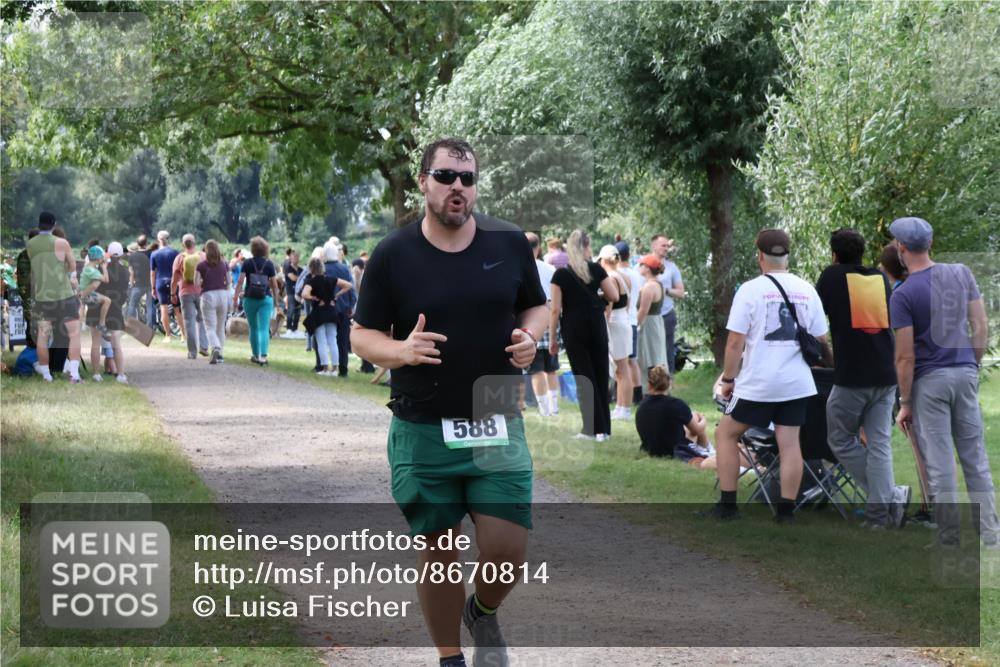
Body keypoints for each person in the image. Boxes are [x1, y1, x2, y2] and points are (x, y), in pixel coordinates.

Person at [351, 137, 548, 667]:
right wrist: (401, 350)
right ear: (423, 183)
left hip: (495, 416)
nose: (457, 187)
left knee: (507, 550)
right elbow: (361, 335)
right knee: (438, 554)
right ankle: (450, 658)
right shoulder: (394, 254)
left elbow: (536, 307)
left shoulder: (508, 244)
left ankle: (480, 612)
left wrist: (532, 339)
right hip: (422, 424)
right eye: (445, 177)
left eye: (467, 178)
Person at [889, 217, 998, 547]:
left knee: (940, 463)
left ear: (901, 249)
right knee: (974, 458)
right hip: (964, 372)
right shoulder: (961, 273)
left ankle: (950, 538)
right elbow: (980, 327)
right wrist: (971, 364)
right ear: (930, 244)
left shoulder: (903, 295)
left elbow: (905, 356)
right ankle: (991, 536)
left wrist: (905, 403)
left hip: (929, 382)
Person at [711, 229, 829, 523]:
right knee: (790, 443)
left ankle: (727, 506)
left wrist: (728, 379)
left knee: (726, 433)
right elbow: (820, 339)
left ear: (759, 255)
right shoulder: (806, 289)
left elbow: (736, 342)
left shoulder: (750, 290)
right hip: (796, 382)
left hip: (759, 383)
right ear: (788, 255)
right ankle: (786, 512)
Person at [817, 228, 908, 529]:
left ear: (834, 254)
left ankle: (889, 498)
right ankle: (881, 514)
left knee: (839, 439)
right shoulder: (878, 278)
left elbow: (817, 320)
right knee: (879, 443)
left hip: (853, 375)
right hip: (885, 372)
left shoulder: (831, 277)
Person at [550, 229, 619, 441]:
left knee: (583, 376)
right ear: (587, 247)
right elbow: (614, 295)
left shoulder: (560, 275)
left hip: (574, 326)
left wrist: (553, 337)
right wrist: (595, 295)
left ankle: (590, 429)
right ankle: (604, 430)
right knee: (600, 373)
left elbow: (555, 309)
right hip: (596, 323)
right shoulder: (597, 269)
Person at [26, 211, 83, 383]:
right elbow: (72, 266)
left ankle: (46, 374)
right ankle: (74, 374)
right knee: (74, 333)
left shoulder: (30, 244)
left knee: (43, 336)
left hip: (42, 296)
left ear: (39, 224)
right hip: (63, 295)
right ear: (53, 224)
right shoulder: (61, 242)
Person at [635, 365, 715, 467]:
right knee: (697, 418)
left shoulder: (642, 406)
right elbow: (697, 430)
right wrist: (703, 419)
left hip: (651, 448)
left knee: (693, 415)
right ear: (669, 383)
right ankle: (708, 450)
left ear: (649, 384)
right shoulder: (676, 404)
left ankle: (707, 448)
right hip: (674, 448)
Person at [524, 232, 560, 416]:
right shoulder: (550, 269)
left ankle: (544, 409)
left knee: (536, 369)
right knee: (551, 368)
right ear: (538, 248)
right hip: (551, 319)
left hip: (533, 320)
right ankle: (554, 407)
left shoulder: (521, 267)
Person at [598, 244, 633, 420]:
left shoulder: (610, 278)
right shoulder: (624, 277)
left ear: (604, 260)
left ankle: (624, 408)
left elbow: (608, 307)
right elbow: (628, 302)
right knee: (622, 369)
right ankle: (621, 407)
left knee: (621, 369)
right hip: (624, 320)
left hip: (615, 323)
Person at [301, 257, 352, 376]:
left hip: (319, 312)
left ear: (311, 269)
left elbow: (304, 294)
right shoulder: (330, 279)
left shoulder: (311, 282)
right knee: (333, 340)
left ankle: (324, 369)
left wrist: (313, 298)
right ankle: (334, 369)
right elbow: (348, 285)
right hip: (332, 312)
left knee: (321, 341)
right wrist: (337, 295)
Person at [233, 236, 279, 365]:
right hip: (265, 298)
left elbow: (240, 281)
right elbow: (274, 285)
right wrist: (276, 299)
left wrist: (236, 297)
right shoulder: (269, 264)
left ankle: (255, 354)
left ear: (252, 249)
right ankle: (263, 356)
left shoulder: (247, 263)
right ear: (265, 250)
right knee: (264, 328)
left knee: (253, 327)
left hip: (250, 298)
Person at [94, 242, 130, 383]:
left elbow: (97, 289)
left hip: (101, 307)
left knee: (96, 342)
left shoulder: (101, 268)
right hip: (115, 308)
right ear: (121, 255)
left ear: (107, 253)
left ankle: (97, 373)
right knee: (116, 344)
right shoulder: (125, 271)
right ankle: (121, 374)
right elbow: (125, 293)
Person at [171, 233, 209, 360]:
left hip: (186, 293)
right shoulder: (203, 256)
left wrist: (172, 293)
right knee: (202, 319)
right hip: (202, 291)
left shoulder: (179, 258)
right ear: (194, 243)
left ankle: (192, 352)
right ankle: (204, 347)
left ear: (183, 244)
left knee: (189, 322)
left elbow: (174, 279)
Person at [651, 234, 685, 373]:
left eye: (667, 246)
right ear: (654, 246)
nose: (666, 248)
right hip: (649, 316)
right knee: (650, 352)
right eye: (663, 245)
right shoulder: (642, 265)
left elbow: (681, 292)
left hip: (666, 316)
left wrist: (665, 290)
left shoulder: (672, 267)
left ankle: (668, 385)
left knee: (667, 351)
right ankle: (650, 387)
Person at [615, 240, 643, 408]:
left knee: (622, 362)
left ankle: (623, 395)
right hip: (632, 318)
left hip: (622, 318)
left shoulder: (616, 274)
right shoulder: (636, 274)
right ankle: (637, 394)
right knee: (632, 361)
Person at [323, 239, 356, 377]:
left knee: (324, 338)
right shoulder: (344, 268)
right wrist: (351, 306)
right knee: (342, 340)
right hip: (343, 308)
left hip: (325, 308)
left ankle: (322, 365)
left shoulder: (322, 269)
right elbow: (351, 289)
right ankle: (343, 369)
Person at [635, 254, 668, 389]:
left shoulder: (649, 287)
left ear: (647, 268)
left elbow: (643, 311)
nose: (639, 267)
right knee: (655, 354)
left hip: (649, 324)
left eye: (641, 264)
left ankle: (653, 388)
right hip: (656, 322)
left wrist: (634, 325)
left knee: (650, 355)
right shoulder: (658, 284)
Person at [196, 239, 231, 365]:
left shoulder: (201, 265)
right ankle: (220, 354)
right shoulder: (224, 264)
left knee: (210, 327)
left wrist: (205, 281)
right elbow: (229, 281)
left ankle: (215, 347)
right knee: (220, 327)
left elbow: (196, 283)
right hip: (222, 294)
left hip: (208, 295)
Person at [149, 230, 180, 343]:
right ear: (169, 239)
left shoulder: (154, 254)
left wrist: (153, 288)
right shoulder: (175, 252)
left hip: (160, 282)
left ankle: (168, 335)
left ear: (158, 240)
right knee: (177, 309)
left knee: (164, 309)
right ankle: (183, 335)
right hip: (173, 281)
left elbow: (153, 273)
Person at [78, 245, 114, 341]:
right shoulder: (92, 270)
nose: (103, 258)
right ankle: (101, 324)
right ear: (98, 258)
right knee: (107, 301)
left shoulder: (88, 267)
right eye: (102, 257)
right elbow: (106, 280)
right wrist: (104, 267)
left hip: (84, 294)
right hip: (87, 295)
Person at [15, 229, 38, 348]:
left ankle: (32, 352)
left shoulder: (22, 255)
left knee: (30, 324)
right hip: (38, 296)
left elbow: (20, 279)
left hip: (28, 296)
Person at [126, 234, 154, 329]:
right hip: (150, 283)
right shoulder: (151, 254)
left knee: (132, 305)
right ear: (146, 243)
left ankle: (130, 326)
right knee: (150, 306)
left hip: (138, 284)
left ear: (137, 243)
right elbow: (153, 270)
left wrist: (131, 284)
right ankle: (149, 327)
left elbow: (131, 272)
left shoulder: (132, 256)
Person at [281, 248, 303, 338]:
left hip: (298, 293)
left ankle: (295, 328)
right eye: (293, 257)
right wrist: (300, 278)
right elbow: (293, 278)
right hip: (290, 291)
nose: (295, 259)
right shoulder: (288, 268)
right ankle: (289, 328)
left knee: (298, 311)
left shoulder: (301, 269)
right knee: (291, 309)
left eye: (297, 257)